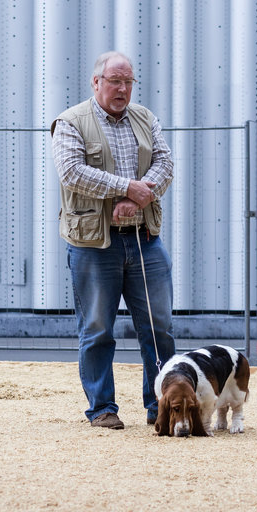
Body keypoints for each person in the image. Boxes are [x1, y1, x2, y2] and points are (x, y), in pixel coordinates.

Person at [51, 50, 176, 429]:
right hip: (93, 246)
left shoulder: (145, 118)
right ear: (96, 83)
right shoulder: (70, 122)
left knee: (159, 328)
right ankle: (102, 407)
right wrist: (127, 189)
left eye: (128, 82)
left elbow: (166, 163)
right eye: (115, 81)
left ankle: (162, 405)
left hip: (144, 239)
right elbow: (72, 172)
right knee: (97, 329)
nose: (122, 89)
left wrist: (139, 194)